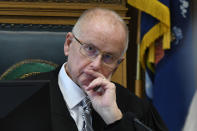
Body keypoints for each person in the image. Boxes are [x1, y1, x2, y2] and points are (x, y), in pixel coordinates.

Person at [1, 8, 168, 131]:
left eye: (108, 57)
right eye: (90, 49)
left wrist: (114, 119)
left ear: (119, 63)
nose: (96, 64)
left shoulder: (134, 108)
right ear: (68, 44)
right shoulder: (16, 101)